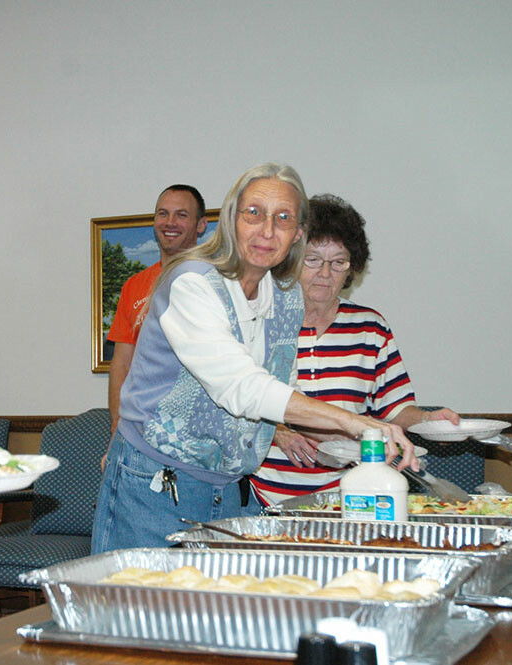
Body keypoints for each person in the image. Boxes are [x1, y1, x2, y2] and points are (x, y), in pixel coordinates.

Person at [91, 163, 420, 554]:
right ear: (231, 220)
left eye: (283, 218)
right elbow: (240, 386)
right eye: (254, 214)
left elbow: (278, 391)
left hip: (228, 489)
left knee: (212, 613)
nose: (268, 230)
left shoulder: (286, 297)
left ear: (297, 233)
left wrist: (337, 435)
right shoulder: (192, 282)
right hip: (154, 483)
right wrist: (356, 423)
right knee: (135, 610)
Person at [247, 194, 459, 508]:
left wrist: (430, 419)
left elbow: (395, 410)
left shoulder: (370, 328)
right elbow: (237, 397)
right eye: (313, 259)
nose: (324, 272)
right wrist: (276, 431)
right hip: (261, 494)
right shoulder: (261, 320)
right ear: (291, 259)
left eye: (338, 262)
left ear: (351, 269)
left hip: (349, 494)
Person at [106, 185, 207, 437]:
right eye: (163, 214)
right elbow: (121, 364)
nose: (170, 222)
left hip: (198, 432)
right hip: (140, 429)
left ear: (201, 224)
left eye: (181, 215)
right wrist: (117, 430)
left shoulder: (215, 280)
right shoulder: (133, 286)